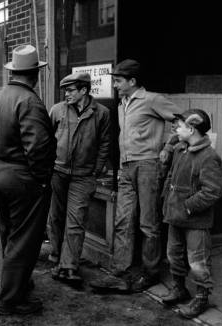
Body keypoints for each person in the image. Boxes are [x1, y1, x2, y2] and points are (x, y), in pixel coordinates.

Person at [90, 59, 182, 292]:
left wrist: (168, 147)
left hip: (148, 166)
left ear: (132, 81)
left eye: (119, 81)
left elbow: (183, 121)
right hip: (126, 167)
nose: (116, 86)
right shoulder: (123, 103)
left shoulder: (152, 99)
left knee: (148, 224)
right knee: (123, 221)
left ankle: (150, 273)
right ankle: (120, 271)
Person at [0, 44, 56, 316]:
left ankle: (18, 285)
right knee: (24, 240)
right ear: (35, 73)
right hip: (23, 177)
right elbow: (38, 148)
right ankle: (11, 300)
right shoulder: (30, 102)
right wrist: (41, 180)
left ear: (14, 72)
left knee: (10, 235)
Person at [48, 72, 110, 286]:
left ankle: (69, 266)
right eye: (65, 90)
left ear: (84, 90)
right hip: (57, 172)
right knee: (56, 217)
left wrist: (97, 169)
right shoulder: (57, 110)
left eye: (71, 90)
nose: (66, 94)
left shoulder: (101, 113)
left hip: (83, 176)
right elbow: (46, 140)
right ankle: (56, 257)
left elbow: (104, 143)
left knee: (76, 220)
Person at [160, 109, 222, 318]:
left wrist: (187, 206)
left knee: (198, 261)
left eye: (179, 126)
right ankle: (179, 288)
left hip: (195, 220)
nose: (175, 129)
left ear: (192, 128)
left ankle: (201, 298)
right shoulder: (180, 149)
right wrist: (167, 202)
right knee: (174, 255)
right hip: (175, 215)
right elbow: (170, 178)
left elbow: (212, 192)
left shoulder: (209, 156)